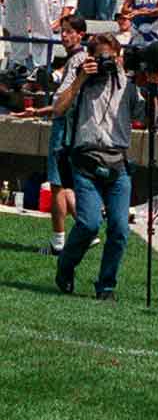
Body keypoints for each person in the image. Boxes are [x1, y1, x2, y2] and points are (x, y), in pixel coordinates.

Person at [52, 32, 145, 299]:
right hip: (86, 162)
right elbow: (58, 108)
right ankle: (65, 266)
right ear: (92, 57)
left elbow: (147, 117)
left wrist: (150, 87)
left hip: (118, 163)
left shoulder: (127, 83)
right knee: (89, 224)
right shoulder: (80, 75)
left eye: (112, 57)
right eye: (102, 57)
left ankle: (106, 285)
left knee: (119, 228)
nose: (108, 63)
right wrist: (81, 78)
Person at [42, 14, 89, 256]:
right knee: (68, 184)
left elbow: (64, 95)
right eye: (62, 31)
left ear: (80, 34)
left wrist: (45, 106)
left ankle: (58, 241)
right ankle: (87, 231)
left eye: (69, 31)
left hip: (64, 123)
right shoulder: (75, 59)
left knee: (57, 184)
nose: (64, 36)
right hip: (75, 126)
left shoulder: (78, 59)